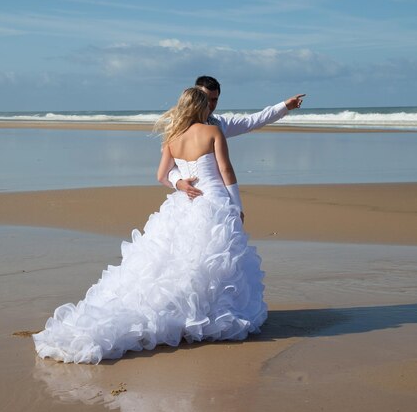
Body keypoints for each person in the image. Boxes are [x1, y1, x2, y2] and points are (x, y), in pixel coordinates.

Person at [33, 88, 267, 364]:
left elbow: (161, 175)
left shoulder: (172, 137)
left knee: (180, 261)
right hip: (214, 200)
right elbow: (226, 170)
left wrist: (180, 183)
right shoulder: (211, 132)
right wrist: (237, 205)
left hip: (185, 202)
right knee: (211, 260)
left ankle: (187, 315)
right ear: (202, 107)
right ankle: (204, 317)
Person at [169, 76, 305, 199]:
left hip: (214, 195)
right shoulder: (177, 127)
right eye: (206, 99)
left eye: (214, 100)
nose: (210, 105)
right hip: (186, 198)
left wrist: (284, 106)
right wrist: (179, 182)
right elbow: (168, 167)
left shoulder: (218, 125)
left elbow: (250, 122)